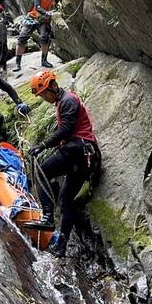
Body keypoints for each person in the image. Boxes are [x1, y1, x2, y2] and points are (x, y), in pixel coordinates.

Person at [26, 70, 102, 257]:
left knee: (42, 172)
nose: (44, 98)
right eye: (41, 95)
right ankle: (61, 245)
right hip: (85, 157)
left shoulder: (68, 100)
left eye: (44, 93)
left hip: (78, 149)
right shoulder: (64, 101)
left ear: (53, 86)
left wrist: (43, 145)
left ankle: (47, 216)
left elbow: (66, 130)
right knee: (66, 201)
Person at [12, 0, 61, 72]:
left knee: (45, 38)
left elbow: (59, 4)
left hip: (44, 20)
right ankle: (17, 64)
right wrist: (46, 12)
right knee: (22, 37)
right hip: (32, 17)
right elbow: (37, 6)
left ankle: (44, 60)